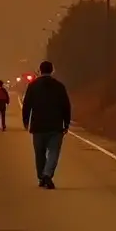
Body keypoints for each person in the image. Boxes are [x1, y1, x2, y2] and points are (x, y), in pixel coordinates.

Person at [21, 61, 71, 190]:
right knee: (54, 152)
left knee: (39, 153)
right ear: (52, 70)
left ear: (40, 70)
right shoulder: (59, 86)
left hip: (38, 125)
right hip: (55, 125)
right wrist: (66, 123)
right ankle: (47, 174)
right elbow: (66, 106)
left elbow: (26, 105)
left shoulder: (33, 86)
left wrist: (26, 121)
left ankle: (41, 177)